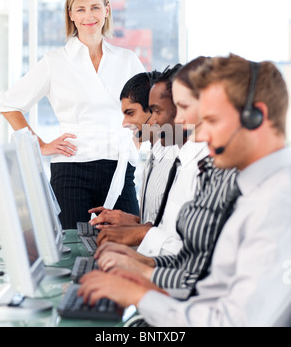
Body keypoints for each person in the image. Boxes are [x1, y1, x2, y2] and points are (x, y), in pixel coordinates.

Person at [78, 54, 291, 327]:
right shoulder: (254, 191)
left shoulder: (275, 203)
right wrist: (148, 285)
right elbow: (209, 291)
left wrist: (141, 294)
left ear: (255, 117)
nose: (199, 136)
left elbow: (233, 322)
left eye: (211, 121)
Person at [0, 0, 145, 229]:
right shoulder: (55, 62)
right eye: (81, 9)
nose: (89, 15)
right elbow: (9, 105)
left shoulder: (127, 60)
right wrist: (40, 145)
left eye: (95, 7)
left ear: (107, 10)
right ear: (71, 15)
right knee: (72, 246)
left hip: (119, 168)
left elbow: (149, 110)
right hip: (72, 169)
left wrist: (137, 143)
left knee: (131, 243)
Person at [92, 58, 238, 301]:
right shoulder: (182, 159)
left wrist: (141, 258)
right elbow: (189, 259)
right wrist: (140, 257)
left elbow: (199, 272)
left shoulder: (206, 168)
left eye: (181, 108)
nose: (176, 120)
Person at [90, 65, 182, 246]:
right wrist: (133, 221)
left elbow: (178, 234)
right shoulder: (154, 154)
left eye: (130, 113)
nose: (125, 123)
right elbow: (161, 220)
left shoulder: (176, 159)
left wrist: (137, 230)